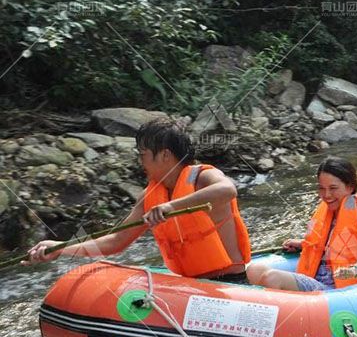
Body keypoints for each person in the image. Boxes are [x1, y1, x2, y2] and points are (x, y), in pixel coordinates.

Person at [26, 119, 251, 282]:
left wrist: (171, 206)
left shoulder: (202, 177)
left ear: (164, 155)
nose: (139, 161)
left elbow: (228, 189)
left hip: (230, 282)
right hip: (190, 286)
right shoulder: (149, 196)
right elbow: (116, 241)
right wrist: (61, 248)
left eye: (142, 154)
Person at [247, 157, 357, 291]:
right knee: (253, 270)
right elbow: (330, 243)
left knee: (272, 278)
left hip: (337, 288)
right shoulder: (330, 208)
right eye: (322, 188)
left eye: (333, 188)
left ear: (350, 187)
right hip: (314, 279)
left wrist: (354, 270)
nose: (327, 195)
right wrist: (302, 244)